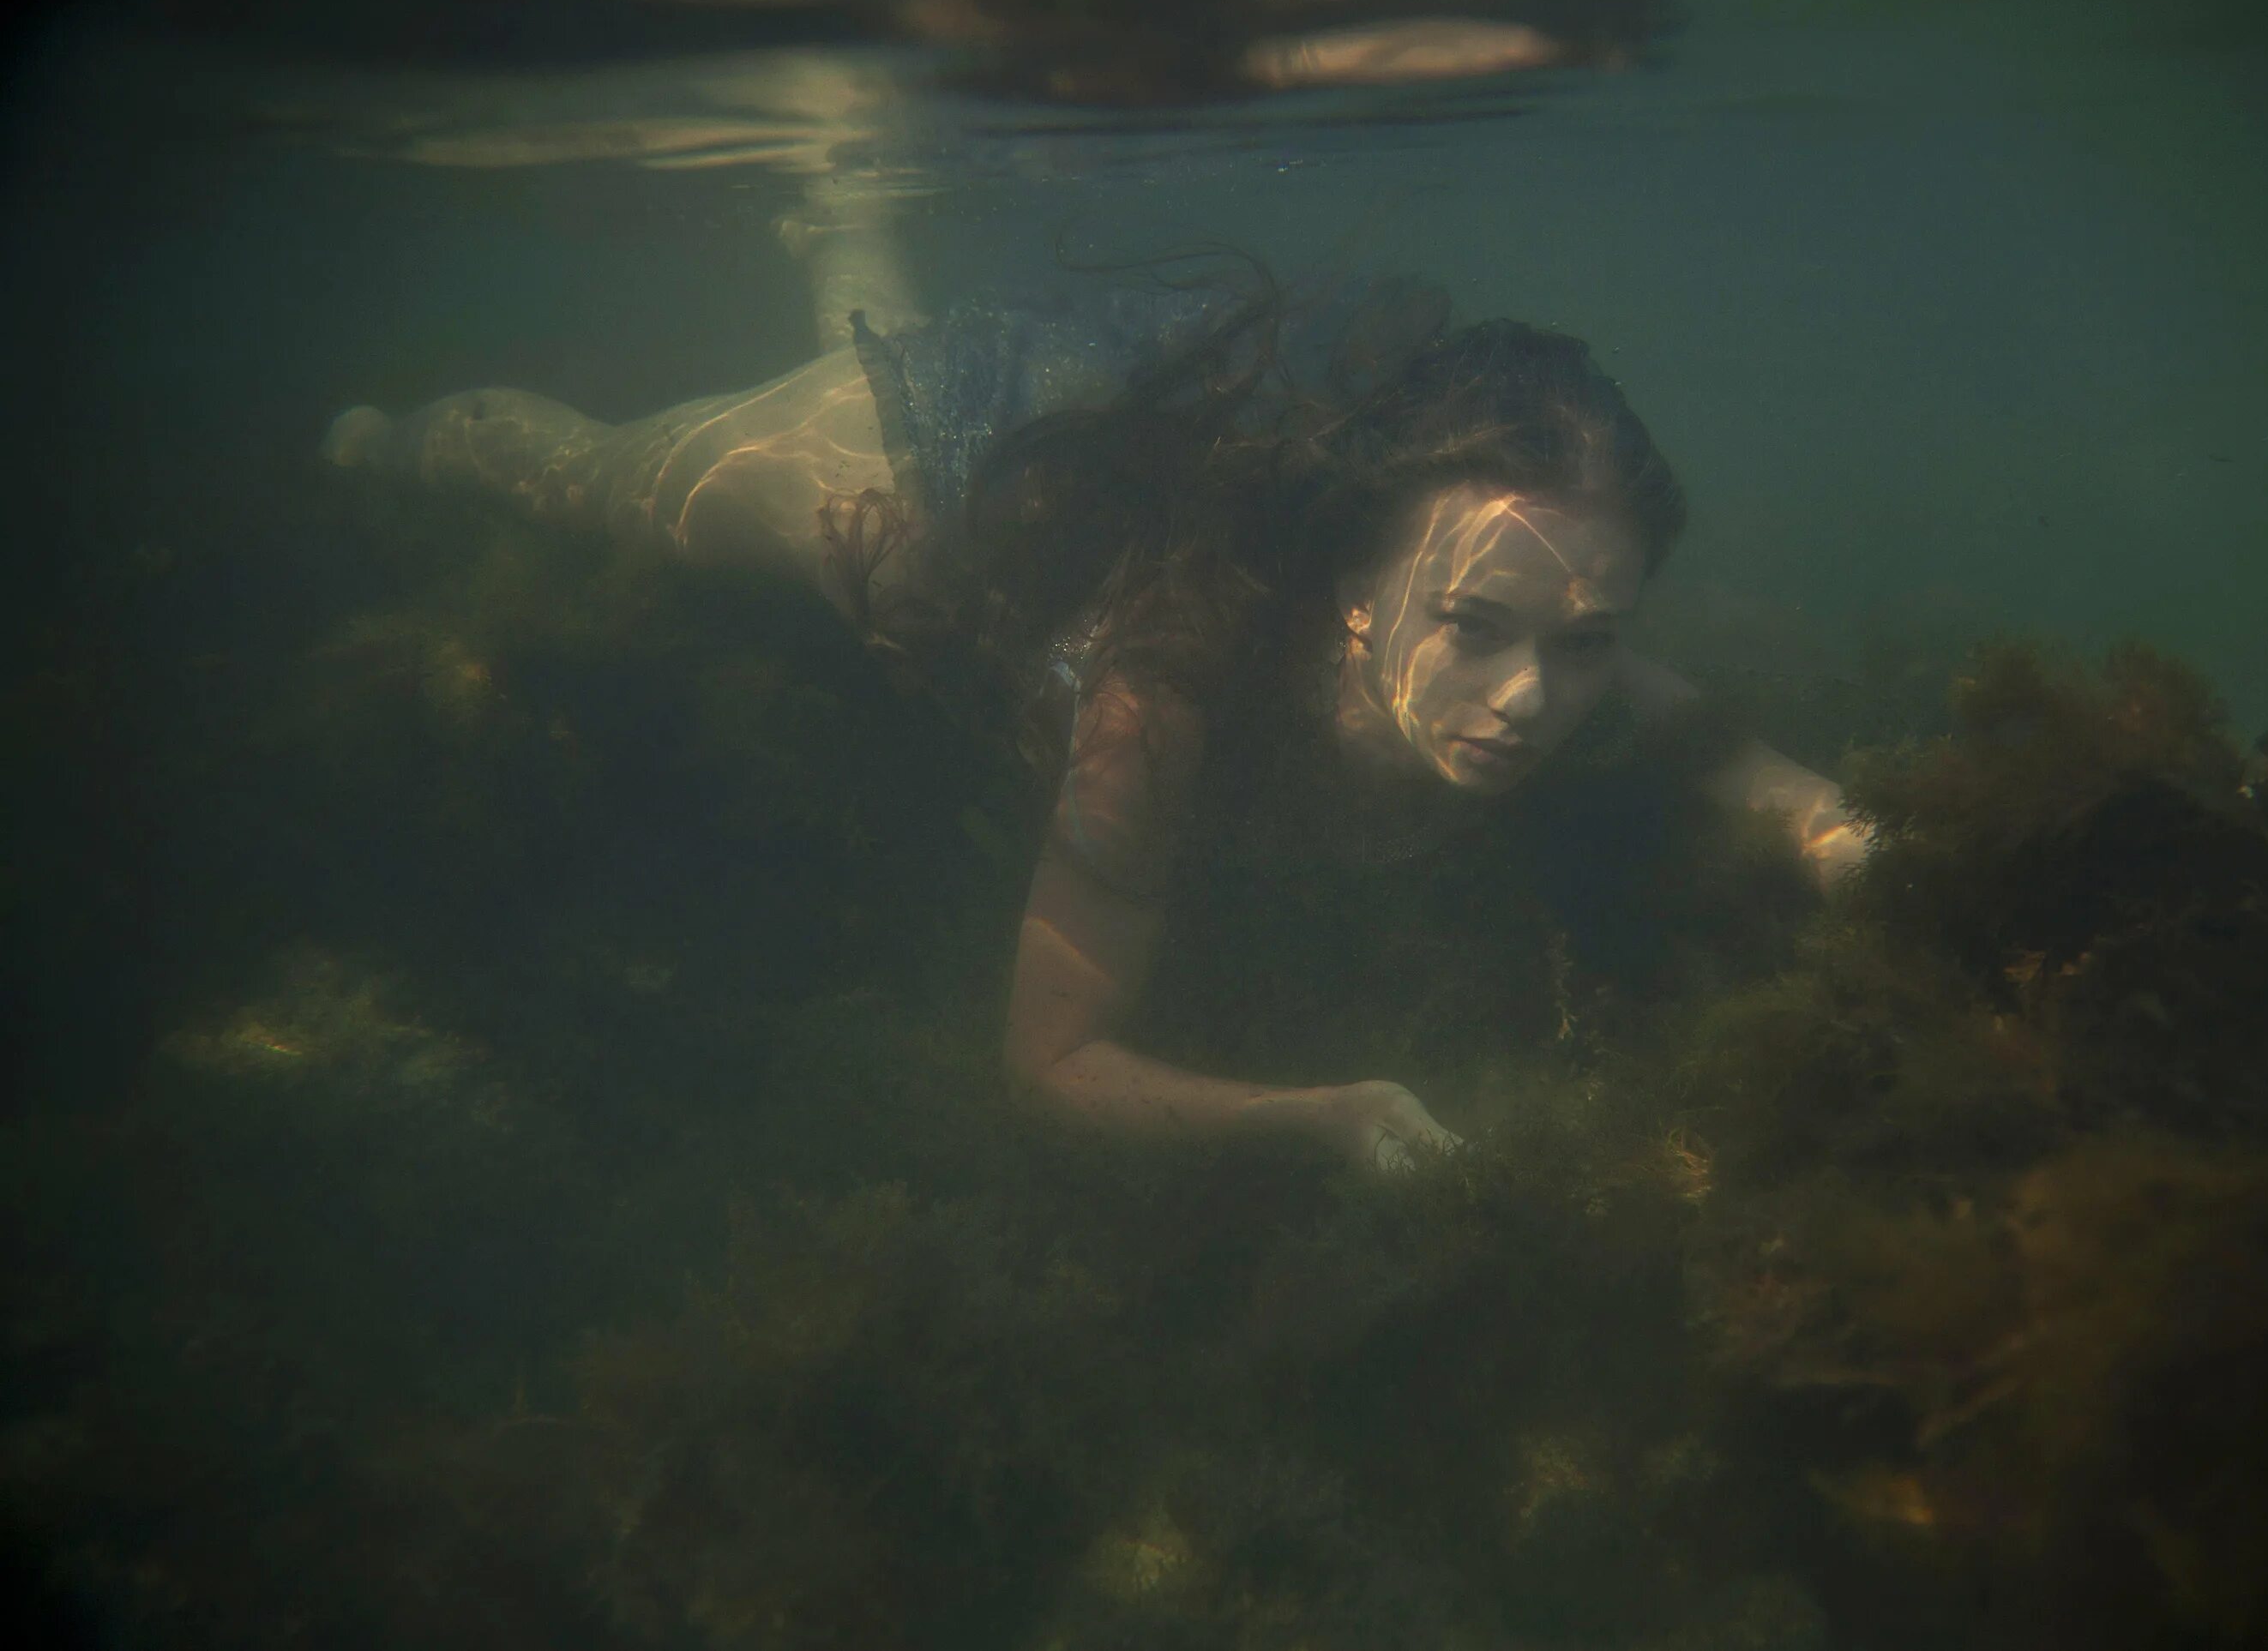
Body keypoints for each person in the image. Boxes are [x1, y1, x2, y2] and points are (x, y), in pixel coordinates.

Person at [323, 275, 1863, 1175]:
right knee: (607, 493)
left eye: (1586, 643)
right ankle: (396, 445)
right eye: (1472, 625)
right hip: (935, 477)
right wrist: (1314, 1115)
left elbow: (1743, 767)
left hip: (1099, 430)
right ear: (1353, 583)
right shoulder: (1158, 697)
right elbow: (1048, 1057)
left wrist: (1863, 850)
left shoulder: (1561, 672)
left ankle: (850, 253)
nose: (1532, 698)